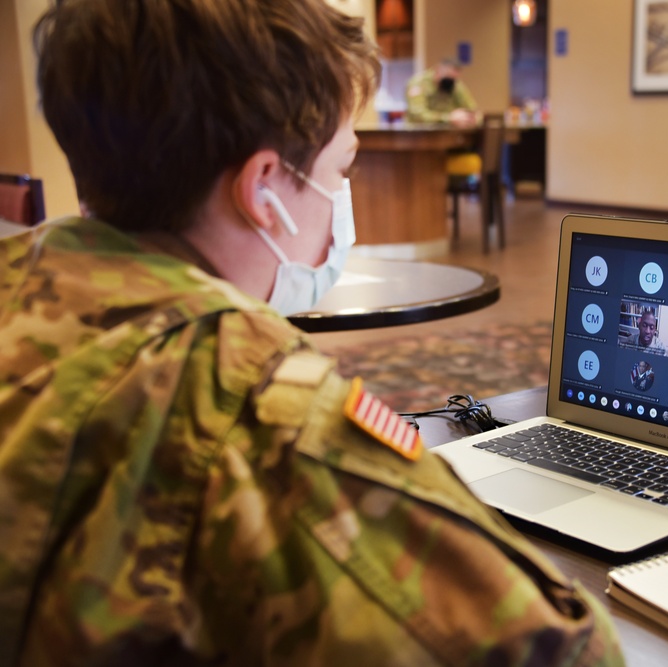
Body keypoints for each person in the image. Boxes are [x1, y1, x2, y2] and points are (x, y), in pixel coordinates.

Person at [0, 1, 623, 664]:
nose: (340, 197)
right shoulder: (264, 418)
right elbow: (569, 651)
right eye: (340, 168)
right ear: (263, 186)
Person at [406, 59, 482, 179]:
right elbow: (417, 115)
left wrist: (471, 118)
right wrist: (448, 118)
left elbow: (472, 110)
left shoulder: (454, 84)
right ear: (438, 71)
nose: (451, 82)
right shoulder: (418, 83)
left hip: (447, 143)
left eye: (454, 78)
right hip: (418, 142)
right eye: (448, 77)